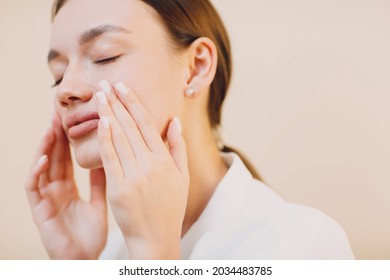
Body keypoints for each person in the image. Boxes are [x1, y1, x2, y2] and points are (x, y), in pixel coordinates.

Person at [24, 0, 355, 260]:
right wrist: (76, 265)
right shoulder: (112, 254)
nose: (65, 89)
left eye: (104, 56)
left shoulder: (301, 248)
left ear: (196, 67)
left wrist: (154, 255)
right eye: (58, 73)